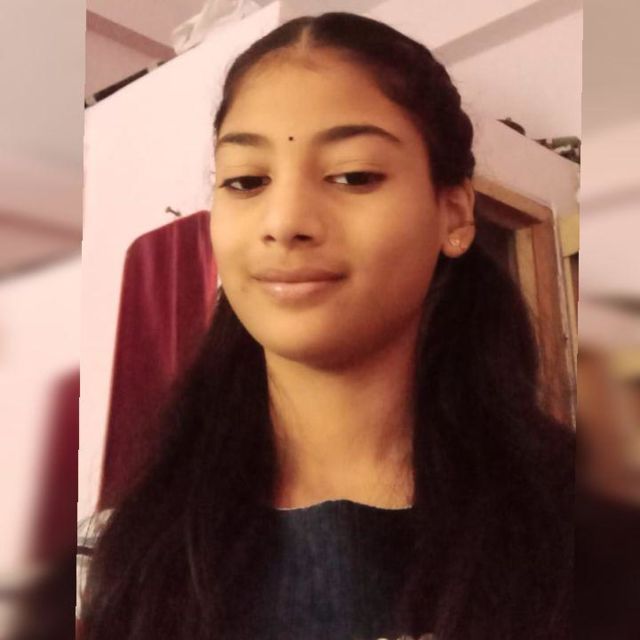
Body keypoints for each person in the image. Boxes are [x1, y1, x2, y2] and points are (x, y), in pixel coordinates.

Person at [78, 12, 574, 640]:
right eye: (246, 181)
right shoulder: (131, 553)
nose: (284, 221)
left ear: (453, 213)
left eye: (353, 175)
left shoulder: (579, 527)